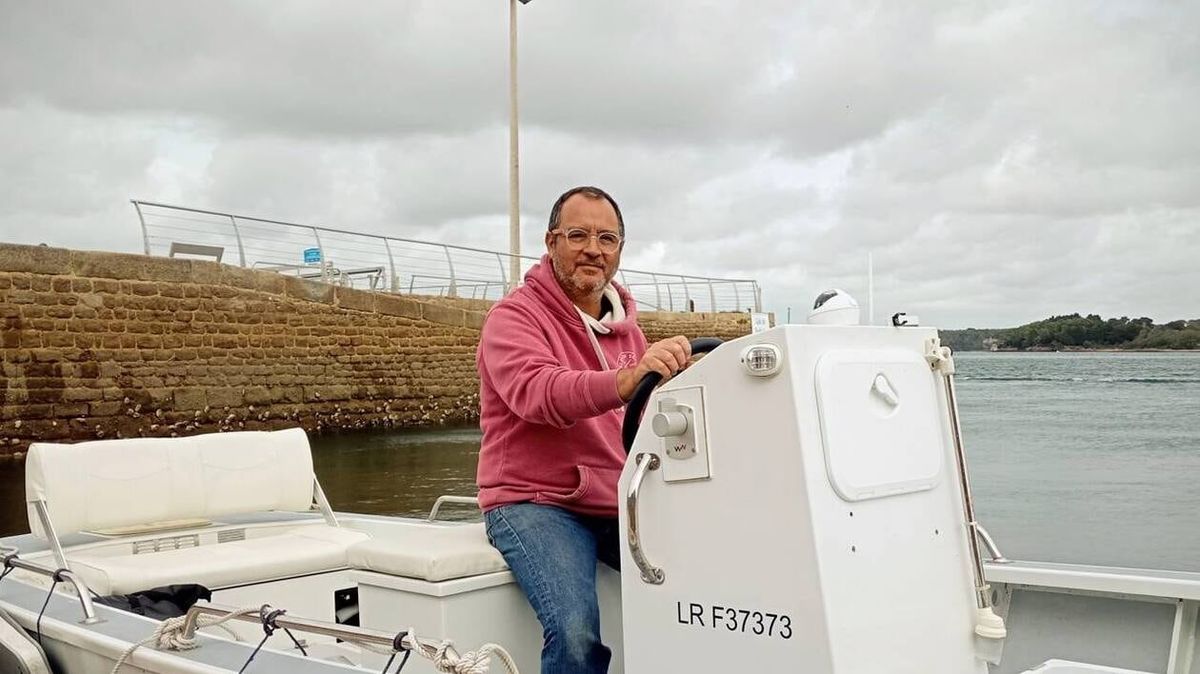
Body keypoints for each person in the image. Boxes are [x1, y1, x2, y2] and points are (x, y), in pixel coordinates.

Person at [476, 186, 691, 674]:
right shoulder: (512, 318)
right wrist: (626, 381)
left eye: (607, 238)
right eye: (578, 235)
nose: (593, 248)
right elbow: (539, 392)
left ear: (619, 250)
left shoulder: (628, 330)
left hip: (614, 498)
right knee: (574, 631)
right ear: (551, 242)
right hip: (534, 502)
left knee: (701, 584)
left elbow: (645, 412)